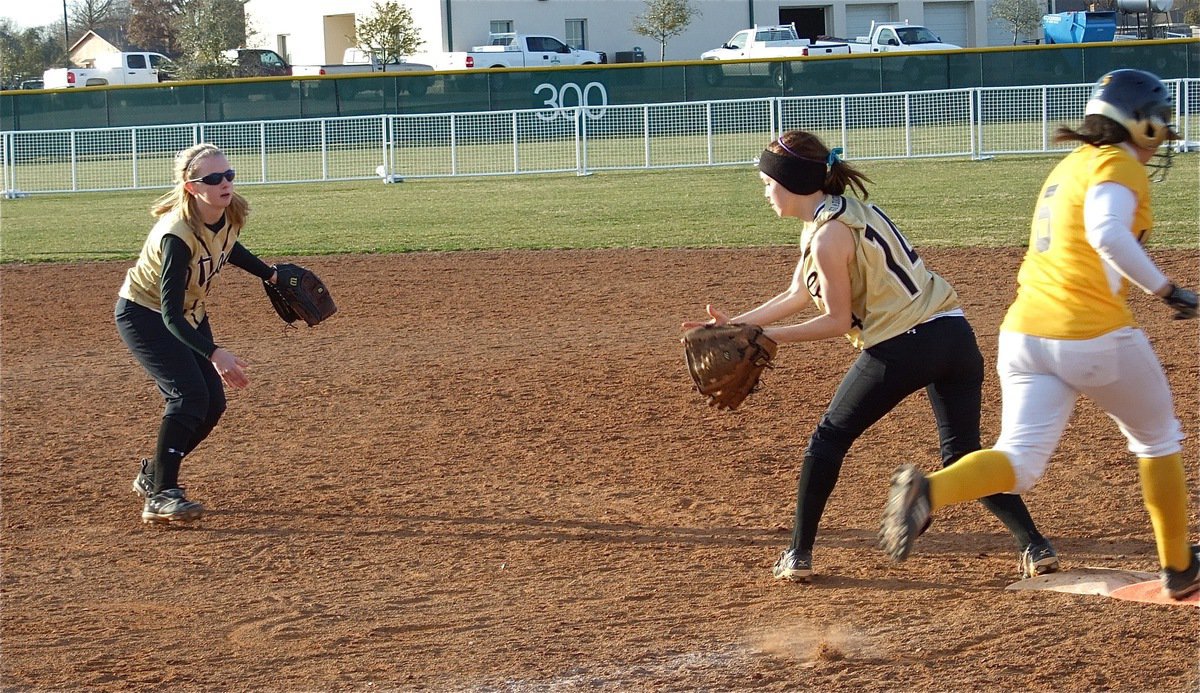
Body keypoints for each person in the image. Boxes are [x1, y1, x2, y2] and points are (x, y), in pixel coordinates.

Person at [682, 129, 1059, 582]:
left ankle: (798, 554)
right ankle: (1035, 546)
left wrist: (773, 336)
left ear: (795, 183)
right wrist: (738, 325)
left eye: (769, 183)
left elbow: (838, 321)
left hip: (905, 346)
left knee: (828, 439)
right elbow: (799, 292)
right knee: (962, 453)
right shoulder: (839, 216)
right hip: (954, 335)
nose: (765, 192)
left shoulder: (827, 237)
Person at [879, 69, 1200, 600]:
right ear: (1138, 125)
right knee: (1158, 438)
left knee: (1020, 461)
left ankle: (930, 491)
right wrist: (1167, 290)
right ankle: (1179, 565)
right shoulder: (1117, 162)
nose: (1161, 134)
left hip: (1025, 332)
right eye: (1158, 122)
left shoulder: (1070, 165)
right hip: (1093, 333)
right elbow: (1106, 232)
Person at [115, 142, 279, 525]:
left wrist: (268, 274)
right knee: (187, 395)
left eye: (229, 175)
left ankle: (155, 475)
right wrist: (214, 353)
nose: (225, 183)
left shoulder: (230, 214)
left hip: (188, 313)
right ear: (192, 187)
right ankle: (161, 495)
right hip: (146, 315)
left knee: (212, 404)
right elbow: (169, 314)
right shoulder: (177, 234)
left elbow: (227, 248)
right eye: (213, 178)